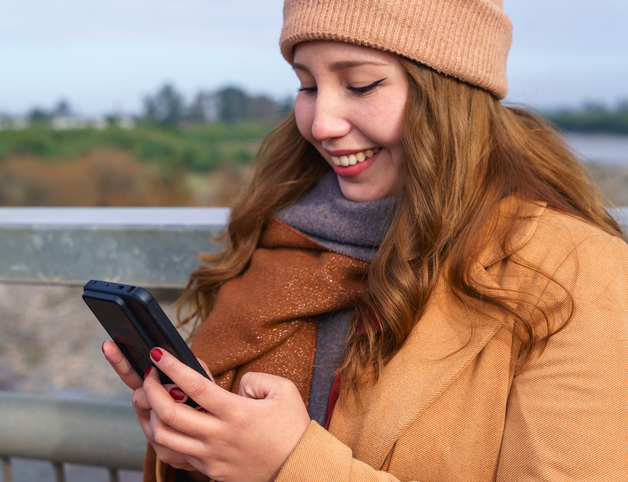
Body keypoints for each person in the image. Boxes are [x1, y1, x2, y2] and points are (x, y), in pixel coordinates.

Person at [104, 0, 628, 480]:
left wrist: (290, 466)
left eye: (360, 85)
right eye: (307, 86)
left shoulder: (580, 273)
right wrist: (193, 436)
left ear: (449, 94)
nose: (321, 123)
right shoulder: (278, 234)